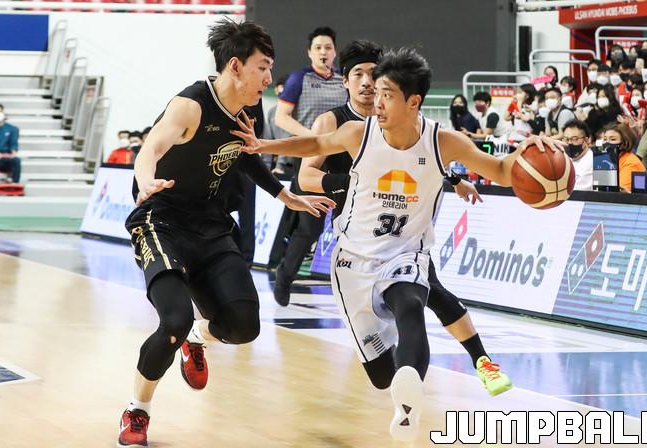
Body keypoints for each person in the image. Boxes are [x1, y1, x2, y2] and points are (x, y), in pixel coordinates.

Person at [233, 48, 559, 442]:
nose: (377, 101)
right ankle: (400, 383)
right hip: (352, 261)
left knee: (411, 305)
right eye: (377, 92)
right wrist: (262, 146)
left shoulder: (444, 142)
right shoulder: (359, 133)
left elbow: (503, 171)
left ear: (414, 101)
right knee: (380, 375)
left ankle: (409, 405)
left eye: (387, 94)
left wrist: (529, 151)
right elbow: (315, 145)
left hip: (406, 253)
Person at [116, 19, 335, 448]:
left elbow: (246, 154)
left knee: (243, 326)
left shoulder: (245, 111)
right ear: (235, 66)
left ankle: (196, 339)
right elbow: (151, 148)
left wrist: (284, 195)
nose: (269, 78)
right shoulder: (191, 105)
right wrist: (144, 181)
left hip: (211, 224)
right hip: (161, 220)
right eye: (262, 67)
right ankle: (137, 410)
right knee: (174, 320)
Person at [298, 39, 511, 397]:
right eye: (358, 74)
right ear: (345, 81)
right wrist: (349, 183)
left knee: (434, 294)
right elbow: (305, 176)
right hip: (357, 234)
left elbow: (424, 155)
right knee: (382, 371)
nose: (367, 83)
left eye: (373, 75)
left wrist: (454, 178)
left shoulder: (401, 119)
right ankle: (399, 360)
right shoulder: (333, 121)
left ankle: (482, 361)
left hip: (403, 238)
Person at [271, 25, 348, 306]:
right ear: (310, 52)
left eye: (328, 47)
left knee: (347, 223)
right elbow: (281, 117)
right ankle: (285, 275)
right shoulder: (299, 79)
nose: (323, 52)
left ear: (334, 52)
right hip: (308, 158)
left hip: (341, 160)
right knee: (310, 227)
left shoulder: (344, 80)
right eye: (318, 48)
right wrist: (314, 138)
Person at [602, 122, 645, 193]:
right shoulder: (608, 159)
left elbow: (619, 193)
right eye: (605, 139)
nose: (607, 143)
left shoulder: (630, 162)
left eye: (613, 139)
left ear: (625, 142)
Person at [562, 120, 593, 191]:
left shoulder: (591, 161)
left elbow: (578, 193)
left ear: (586, 140)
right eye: (566, 139)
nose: (569, 142)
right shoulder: (564, 158)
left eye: (574, 139)